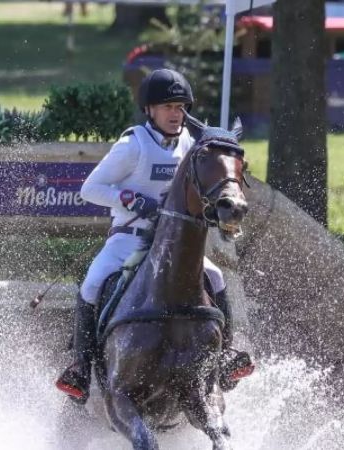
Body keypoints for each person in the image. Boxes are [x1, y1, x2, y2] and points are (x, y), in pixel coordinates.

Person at [55, 68, 254, 404]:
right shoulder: (132, 145)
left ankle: (226, 358)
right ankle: (81, 369)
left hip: (172, 243)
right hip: (129, 239)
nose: (175, 115)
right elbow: (91, 188)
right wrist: (131, 199)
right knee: (91, 283)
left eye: (180, 108)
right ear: (150, 110)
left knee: (216, 277)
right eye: (167, 107)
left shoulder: (190, 145)